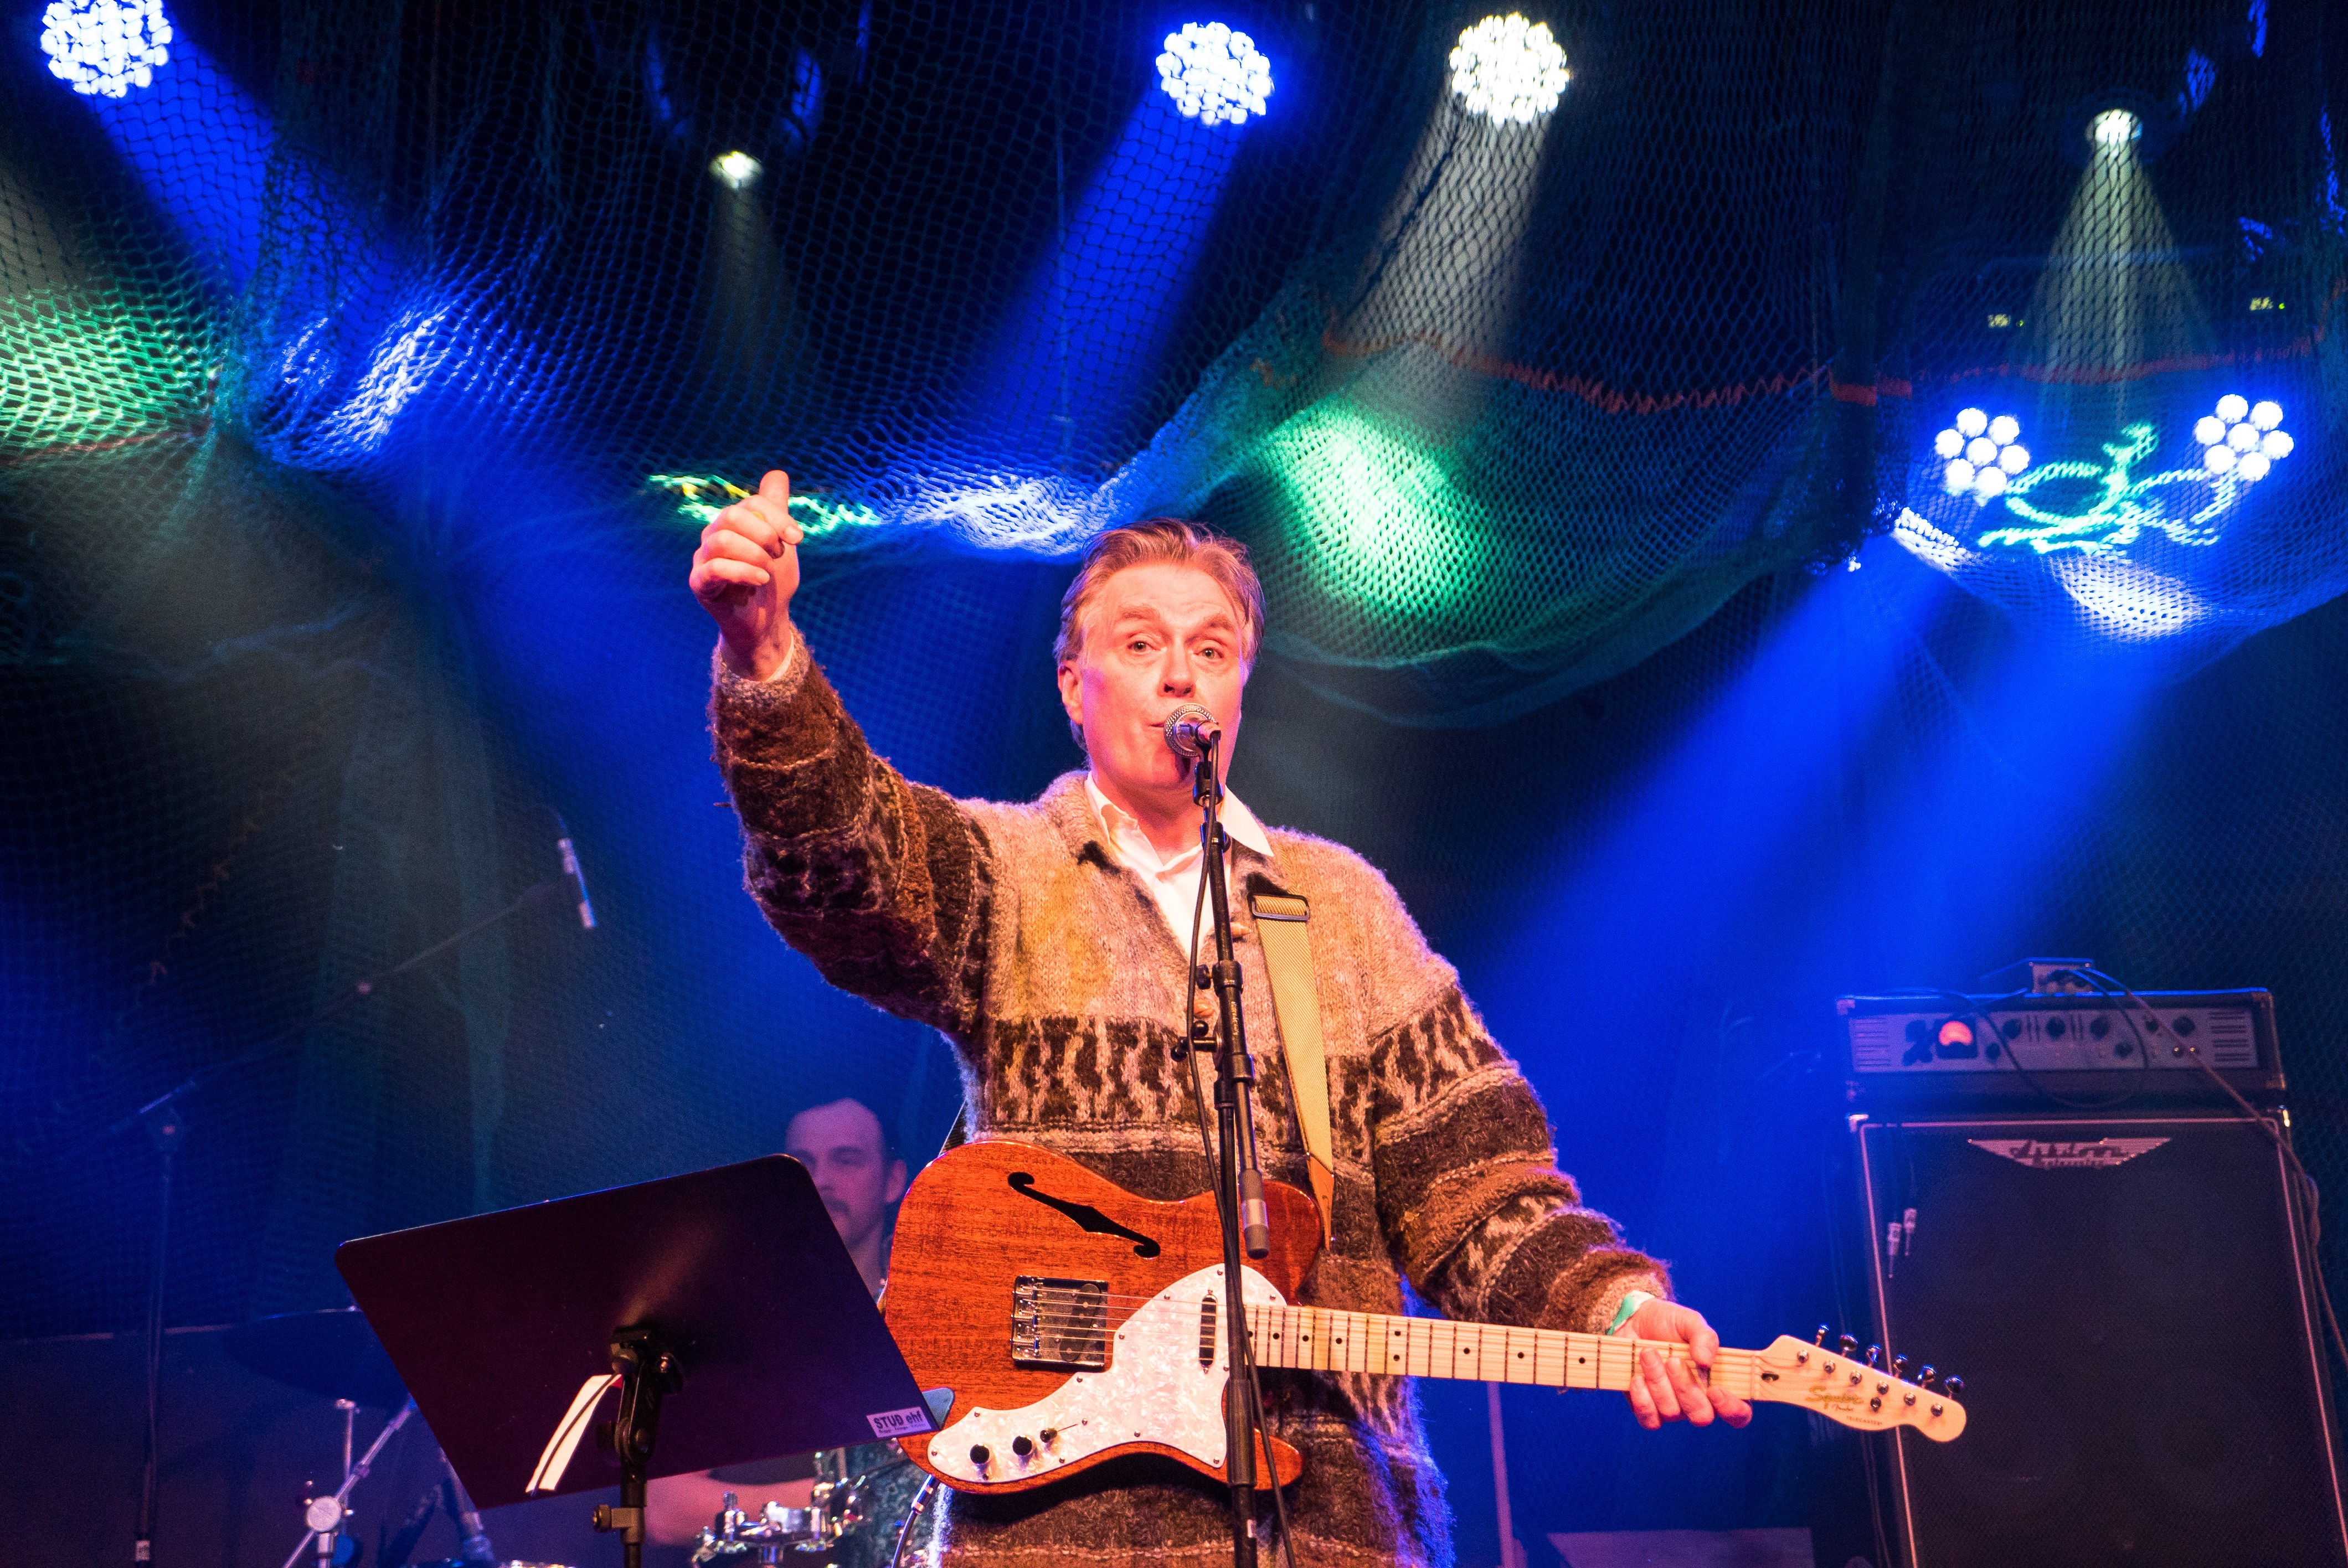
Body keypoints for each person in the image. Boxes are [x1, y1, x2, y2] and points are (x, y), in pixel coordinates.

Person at [688, 472, 1750, 1568]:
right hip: (1052, 1534)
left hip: (1324, 1523)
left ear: (1240, 686)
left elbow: (1478, 1188)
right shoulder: (1005, 874)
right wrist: (767, 664)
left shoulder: (1340, 912)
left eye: (1209, 648)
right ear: (1072, 683)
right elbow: (845, 865)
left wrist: (1615, 1310)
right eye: (1140, 644)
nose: (1177, 673)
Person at [645, 1095, 910, 1549]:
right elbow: (664, 1508)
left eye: (846, 1161)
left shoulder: (931, 1318)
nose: (821, 1181)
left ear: (893, 1181)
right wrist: (840, 1502)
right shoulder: (732, 1319)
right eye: (801, 1165)